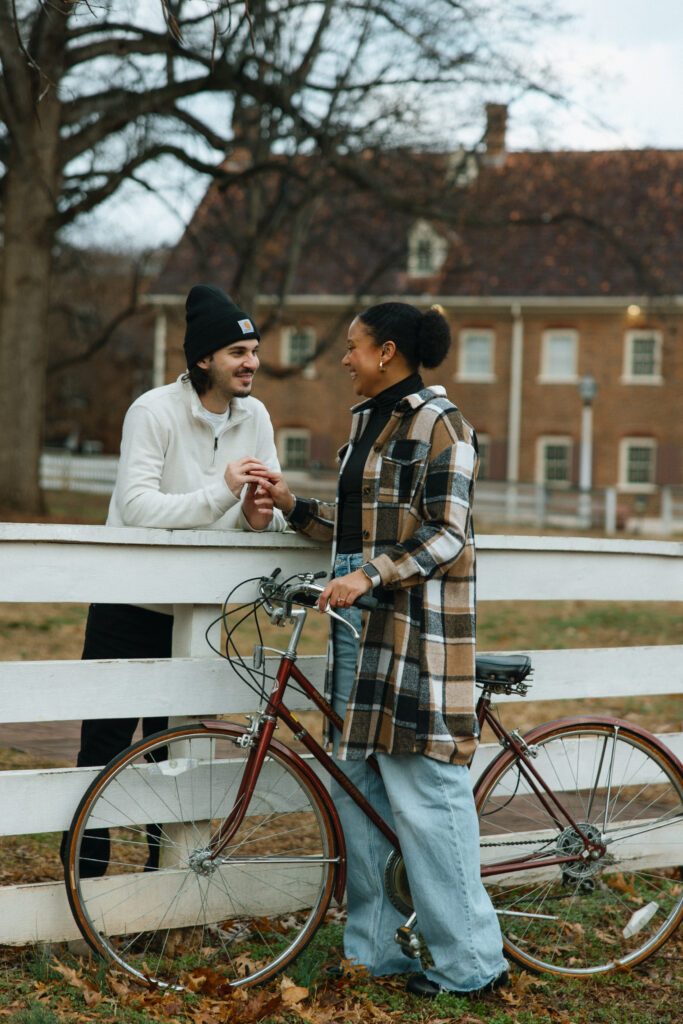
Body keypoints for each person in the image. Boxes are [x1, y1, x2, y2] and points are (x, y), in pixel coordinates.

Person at [261, 301, 508, 997]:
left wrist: (368, 575)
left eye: (352, 346)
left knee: (430, 802)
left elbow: (446, 534)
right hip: (355, 641)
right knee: (360, 797)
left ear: (386, 351)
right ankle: (375, 952)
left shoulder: (442, 425)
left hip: (413, 640)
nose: (343, 358)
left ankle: (472, 966)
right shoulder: (364, 426)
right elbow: (359, 531)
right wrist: (291, 506)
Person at [66, 284, 285, 875]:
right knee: (104, 750)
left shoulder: (257, 417)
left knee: (177, 756)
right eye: (238, 351)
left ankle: (162, 886)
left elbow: (262, 515)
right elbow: (137, 508)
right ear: (202, 359)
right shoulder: (153, 411)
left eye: (254, 350)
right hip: (128, 605)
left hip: (200, 616)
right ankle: (86, 885)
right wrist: (222, 491)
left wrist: (257, 517)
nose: (252, 363)